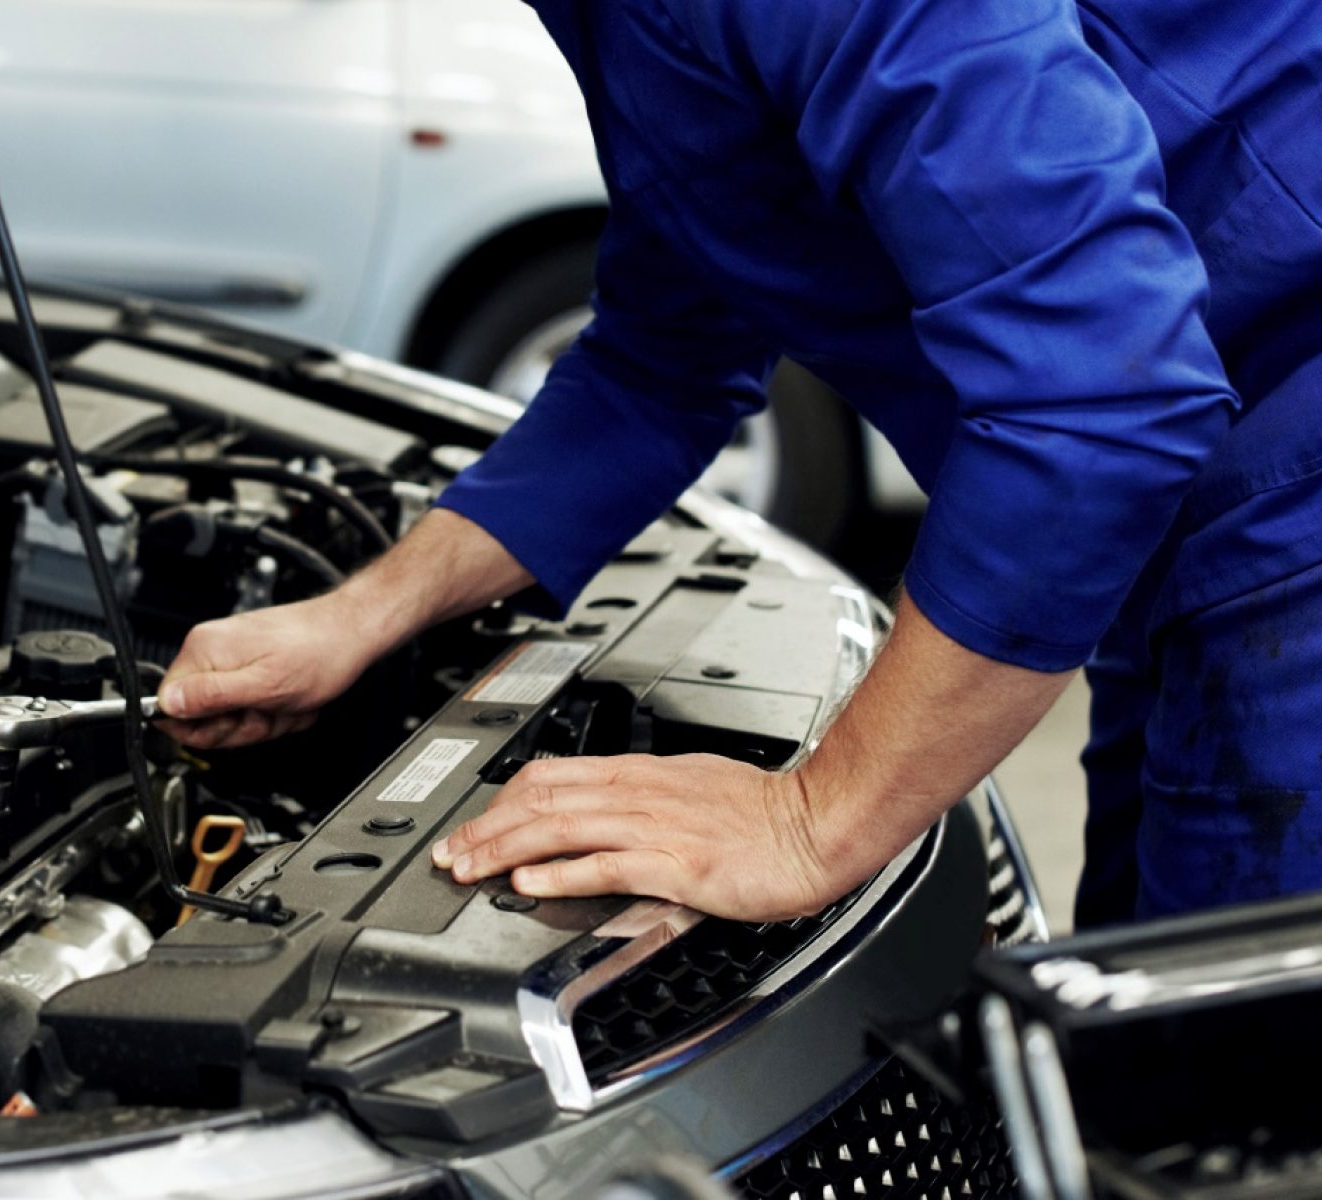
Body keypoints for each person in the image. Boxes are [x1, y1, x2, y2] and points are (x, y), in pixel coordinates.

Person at [157, 0, 1322, 928]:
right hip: (1184, 540)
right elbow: (653, 368)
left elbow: (1102, 395)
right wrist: (359, 617)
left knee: (1230, 1106)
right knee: (1131, 1046)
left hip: (1285, 494)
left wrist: (815, 818)